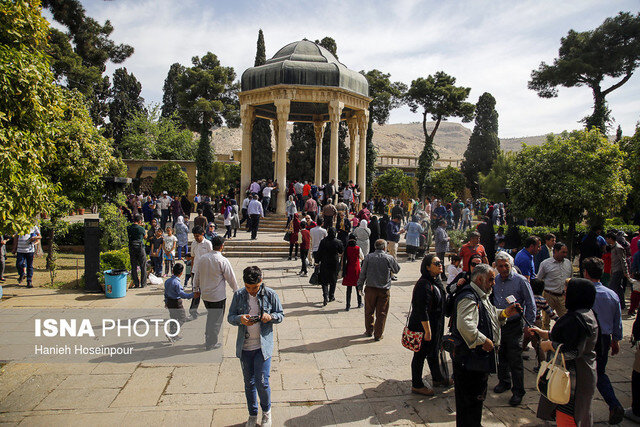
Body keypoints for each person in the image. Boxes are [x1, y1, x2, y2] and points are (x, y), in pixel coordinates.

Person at [450, 264, 519, 427]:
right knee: (469, 401)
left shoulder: (481, 296)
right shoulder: (469, 297)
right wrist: (484, 340)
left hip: (477, 361)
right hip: (469, 361)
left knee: (476, 398)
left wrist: (505, 313)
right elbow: (465, 325)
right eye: (490, 280)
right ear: (479, 279)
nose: (493, 283)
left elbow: (488, 314)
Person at [532, 278, 599, 427]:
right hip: (583, 373)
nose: (563, 296)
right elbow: (570, 338)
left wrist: (549, 345)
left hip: (573, 379)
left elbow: (572, 351)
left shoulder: (577, 319)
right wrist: (546, 333)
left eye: (567, 293)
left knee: (570, 416)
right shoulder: (585, 313)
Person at [228, 266, 284, 427]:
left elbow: (280, 315)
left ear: (261, 282)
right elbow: (230, 317)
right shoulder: (239, 295)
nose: (251, 291)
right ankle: (252, 414)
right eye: (248, 288)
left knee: (262, 381)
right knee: (249, 382)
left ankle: (266, 412)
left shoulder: (270, 294)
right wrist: (240, 319)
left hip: (262, 346)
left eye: (255, 288)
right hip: (245, 346)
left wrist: (270, 316)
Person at [582, 257, 625, 424]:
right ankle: (613, 404)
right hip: (605, 339)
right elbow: (617, 320)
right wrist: (616, 339)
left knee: (582, 373)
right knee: (600, 372)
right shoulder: (612, 294)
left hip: (586, 338)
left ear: (585, 272)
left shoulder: (585, 293)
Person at [492, 251, 536, 406]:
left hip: (515, 325)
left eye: (506, 266)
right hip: (500, 323)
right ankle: (504, 381)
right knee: (501, 355)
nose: (503, 269)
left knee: (515, 359)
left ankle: (518, 391)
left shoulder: (520, 281)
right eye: (500, 266)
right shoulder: (496, 280)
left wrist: (528, 325)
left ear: (511, 265)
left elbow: (530, 304)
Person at [409, 254, 451, 396]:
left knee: (433, 352)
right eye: (436, 263)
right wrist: (427, 331)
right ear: (427, 267)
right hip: (424, 326)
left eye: (440, 262)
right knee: (420, 354)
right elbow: (422, 309)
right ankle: (417, 384)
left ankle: (438, 378)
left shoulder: (436, 281)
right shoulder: (424, 284)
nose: (440, 265)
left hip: (435, 324)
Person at [194, 235, 238, 350]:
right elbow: (230, 277)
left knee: (211, 317)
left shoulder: (203, 258)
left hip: (205, 295)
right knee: (216, 320)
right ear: (222, 246)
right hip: (217, 296)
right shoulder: (222, 260)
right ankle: (211, 342)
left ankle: (208, 338)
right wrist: (236, 291)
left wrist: (196, 288)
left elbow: (197, 275)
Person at [358, 239, 401, 341]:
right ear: (385, 248)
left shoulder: (368, 257)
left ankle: (369, 330)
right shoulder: (388, 258)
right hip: (383, 289)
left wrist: (360, 286)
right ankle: (378, 334)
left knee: (369, 311)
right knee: (381, 313)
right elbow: (397, 269)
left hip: (370, 288)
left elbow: (362, 273)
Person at [537, 242, 573, 329]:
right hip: (549, 295)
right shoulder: (545, 264)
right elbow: (539, 279)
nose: (565, 255)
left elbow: (570, 279)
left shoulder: (568, 263)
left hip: (562, 296)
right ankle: (544, 340)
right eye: (562, 252)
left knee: (566, 320)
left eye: (566, 252)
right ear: (555, 251)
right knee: (545, 321)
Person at [529, 278, 558, 372]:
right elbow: (550, 312)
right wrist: (558, 319)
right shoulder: (542, 300)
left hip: (527, 321)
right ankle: (542, 363)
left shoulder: (529, 298)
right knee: (538, 343)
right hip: (537, 322)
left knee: (523, 342)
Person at [164, 263, 198, 342]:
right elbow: (182, 294)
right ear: (181, 273)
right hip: (176, 303)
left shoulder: (167, 281)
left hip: (169, 301)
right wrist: (192, 295)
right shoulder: (177, 283)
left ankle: (174, 335)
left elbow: (165, 293)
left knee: (173, 318)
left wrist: (166, 301)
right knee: (182, 318)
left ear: (172, 271)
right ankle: (172, 333)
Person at [188, 225, 213, 319]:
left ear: (203, 234)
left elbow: (212, 257)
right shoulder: (194, 244)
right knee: (195, 292)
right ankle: (193, 312)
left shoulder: (208, 244)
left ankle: (211, 310)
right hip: (195, 271)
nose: (196, 238)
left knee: (206, 292)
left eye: (198, 236)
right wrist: (191, 271)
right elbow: (193, 257)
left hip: (206, 272)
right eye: (195, 236)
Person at [316, 227, 344, 306]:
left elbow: (319, 252)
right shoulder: (338, 242)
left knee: (324, 280)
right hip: (334, 263)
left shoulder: (323, 241)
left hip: (324, 262)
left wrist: (317, 261)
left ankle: (325, 296)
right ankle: (331, 296)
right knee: (333, 279)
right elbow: (341, 251)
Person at [606, 231, 630, 308]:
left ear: (610, 238)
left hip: (618, 271)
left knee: (612, 287)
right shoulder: (613, 247)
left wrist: (625, 272)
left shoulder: (618, 248)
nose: (606, 240)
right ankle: (622, 305)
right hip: (615, 270)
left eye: (607, 238)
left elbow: (623, 260)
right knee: (619, 289)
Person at [12, 224, 41, 288]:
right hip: (20, 250)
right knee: (19, 264)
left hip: (29, 250)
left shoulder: (33, 226)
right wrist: (14, 248)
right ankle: (22, 274)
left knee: (29, 266)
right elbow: (16, 238)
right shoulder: (19, 226)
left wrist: (34, 238)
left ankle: (29, 281)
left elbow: (40, 236)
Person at [342, 234, 363, 310]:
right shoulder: (358, 248)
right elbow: (362, 257)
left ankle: (348, 305)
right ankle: (359, 302)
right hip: (356, 268)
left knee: (349, 288)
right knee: (358, 287)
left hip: (349, 268)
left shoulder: (347, 248)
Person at [126, 215, 147, 288]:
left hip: (132, 247)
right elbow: (145, 237)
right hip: (140, 247)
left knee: (133, 266)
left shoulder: (129, 228)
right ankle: (143, 283)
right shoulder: (141, 229)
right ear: (140, 221)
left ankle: (136, 283)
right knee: (143, 265)